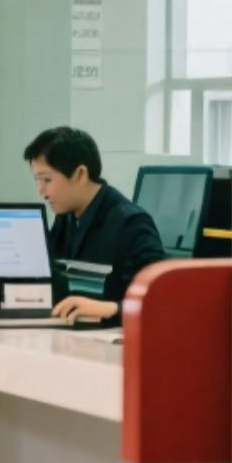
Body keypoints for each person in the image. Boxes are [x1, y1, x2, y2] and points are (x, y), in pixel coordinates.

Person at [24, 126, 165, 325]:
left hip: (114, 337)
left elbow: (160, 299)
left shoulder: (130, 223)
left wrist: (110, 309)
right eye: (37, 179)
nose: (41, 191)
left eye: (47, 179)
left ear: (80, 174)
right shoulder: (65, 218)